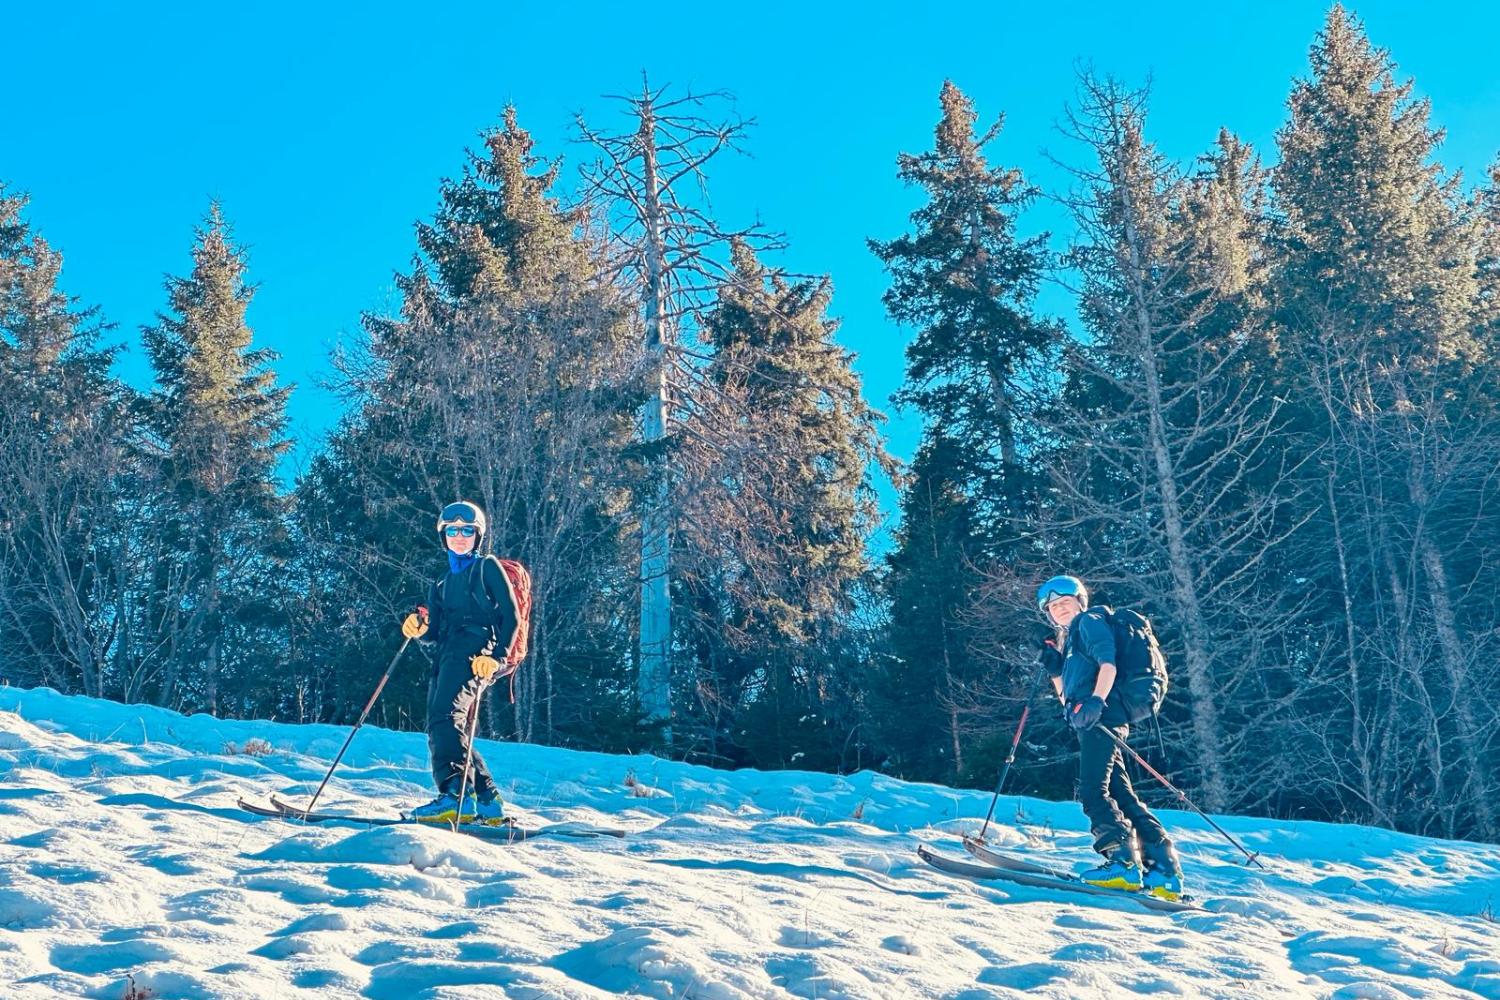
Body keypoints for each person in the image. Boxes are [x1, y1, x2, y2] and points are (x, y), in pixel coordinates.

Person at [1036, 574, 1185, 901]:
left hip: (1105, 712)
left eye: (1065, 602)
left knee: (1092, 790)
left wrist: (1097, 702)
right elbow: (1067, 703)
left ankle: (1122, 862)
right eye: (1053, 607)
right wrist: (1056, 671)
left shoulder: (1089, 621)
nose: (1060, 610)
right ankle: (1165, 871)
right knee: (1120, 792)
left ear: (1079, 601)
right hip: (1098, 715)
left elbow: (1109, 664)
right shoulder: (1071, 642)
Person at [400, 500, 519, 825]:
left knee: (444, 717)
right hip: (448, 654)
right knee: (445, 723)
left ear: (478, 535)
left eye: (468, 530)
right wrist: (419, 628)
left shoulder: (487, 567)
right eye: (452, 530)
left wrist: (496, 659)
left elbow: (511, 616)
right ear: (444, 536)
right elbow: (434, 632)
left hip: (478, 651)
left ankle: (455, 796)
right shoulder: (440, 582)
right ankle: (488, 801)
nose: (460, 536)